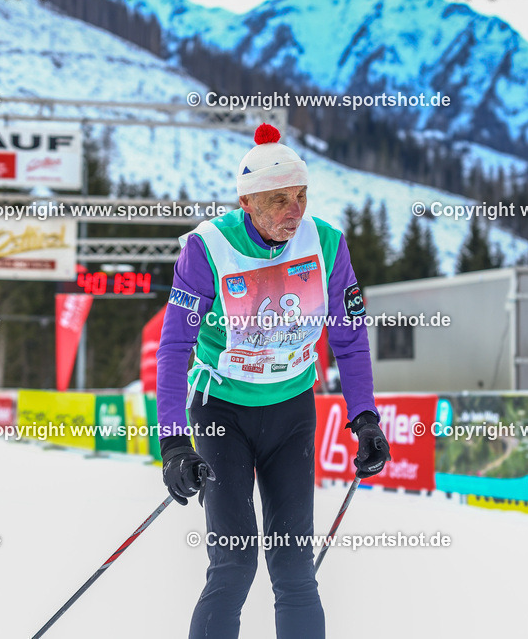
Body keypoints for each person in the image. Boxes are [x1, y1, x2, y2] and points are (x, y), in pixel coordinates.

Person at [156, 123, 390, 639]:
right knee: (234, 563)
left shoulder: (326, 244)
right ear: (249, 201)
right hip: (222, 414)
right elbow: (174, 348)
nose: (295, 210)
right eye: (280, 198)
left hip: (291, 412)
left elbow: (348, 336)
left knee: (293, 569)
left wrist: (365, 416)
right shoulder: (208, 247)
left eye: (301, 195)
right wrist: (174, 442)